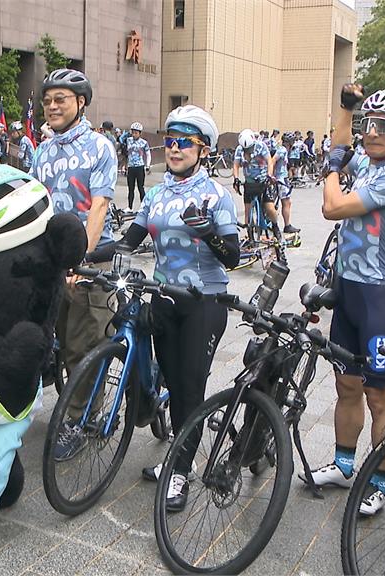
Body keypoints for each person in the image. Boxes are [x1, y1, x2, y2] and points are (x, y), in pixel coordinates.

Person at [101, 105, 239, 511]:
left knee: (189, 387)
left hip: (204, 302)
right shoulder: (158, 193)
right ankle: (174, 447)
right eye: (170, 141)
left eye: (184, 143)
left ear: (203, 149)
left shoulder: (217, 195)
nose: (174, 149)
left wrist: (209, 233)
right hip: (164, 298)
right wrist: (84, 253)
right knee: (173, 381)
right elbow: (131, 240)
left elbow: (231, 256)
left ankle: (180, 470)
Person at [307, 84, 385, 517]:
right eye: (367, 125)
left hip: (378, 298)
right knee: (345, 386)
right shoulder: (373, 166)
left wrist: (330, 171)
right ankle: (343, 464)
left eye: (383, 127)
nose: (370, 133)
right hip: (349, 292)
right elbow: (339, 148)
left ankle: (378, 483)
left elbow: (332, 207)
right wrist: (345, 109)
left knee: (379, 396)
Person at [28, 68, 117, 461]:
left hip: (88, 263)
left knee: (82, 345)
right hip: (49, 261)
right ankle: (71, 404)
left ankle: (78, 421)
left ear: (81, 103)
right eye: (47, 100)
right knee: (54, 341)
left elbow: (98, 206)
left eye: (60, 99)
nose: (51, 106)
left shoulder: (100, 147)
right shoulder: (42, 150)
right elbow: (33, 200)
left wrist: (80, 259)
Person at [232, 128, 280, 245]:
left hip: (263, 181)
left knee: (270, 208)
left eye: (249, 148)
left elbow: (269, 161)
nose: (247, 151)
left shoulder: (261, 146)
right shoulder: (239, 149)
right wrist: (236, 179)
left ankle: (275, 226)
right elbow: (236, 165)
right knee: (247, 211)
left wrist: (269, 174)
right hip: (249, 183)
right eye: (245, 149)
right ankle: (249, 235)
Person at [274, 133, 299, 233]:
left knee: (279, 203)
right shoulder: (282, 150)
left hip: (280, 178)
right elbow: (273, 160)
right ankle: (287, 225)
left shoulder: (282, 149)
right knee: (286, 202)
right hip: (280, 179)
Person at [124, 121, 152, 209]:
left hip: (140, 167)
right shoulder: (128, 140)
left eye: (136, 133)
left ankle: (143, 207)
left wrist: (148, 165)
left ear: (140, 133)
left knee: (141, 187)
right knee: (130, 188)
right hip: (131, 167)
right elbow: (126, 153)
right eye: (133, 132)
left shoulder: (144, 142)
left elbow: (148, 154)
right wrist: (125, 165)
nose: (134, 134)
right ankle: (130, 207)